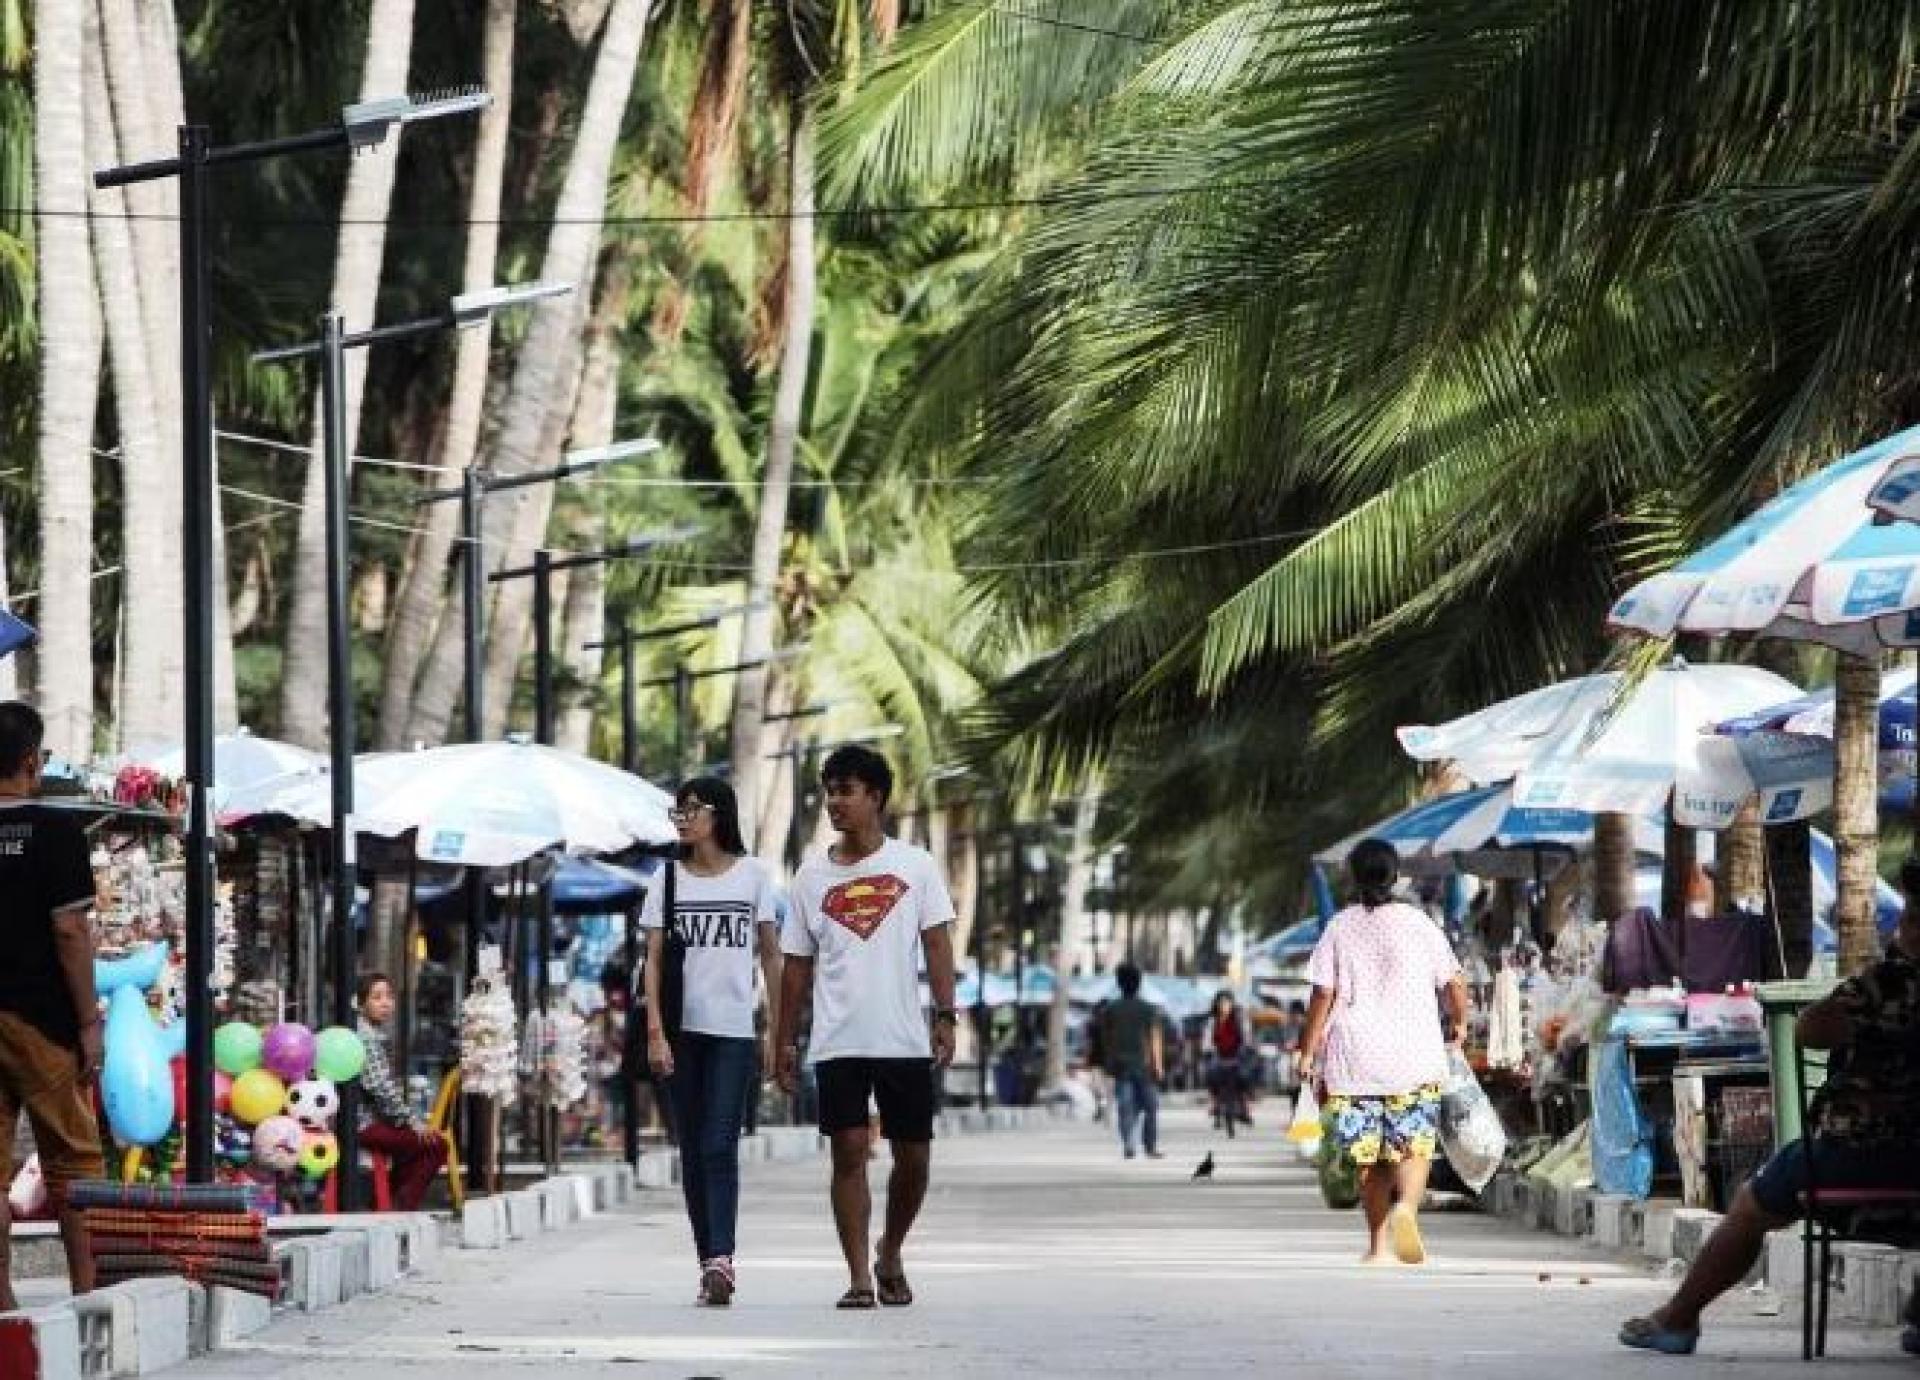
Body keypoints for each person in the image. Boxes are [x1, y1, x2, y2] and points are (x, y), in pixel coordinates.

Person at [1619, 855, 1920, 1357]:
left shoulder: (1887, 986)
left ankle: (1679, 1317)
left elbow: (1810, 1030)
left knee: (1751, 1204)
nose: (1906, 928)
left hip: (1858, 1153)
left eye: (1912, 920)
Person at [774, 746, 958, 1310]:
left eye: (846, 790)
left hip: (901, 1037)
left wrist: (946, 1015)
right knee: (848, 1152)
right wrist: (782, 1040)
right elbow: (796, 967)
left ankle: (891, 1251)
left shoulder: (915, 866)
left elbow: (937, 943)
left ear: (876, 797)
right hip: (837, 1040)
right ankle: (858, 1276)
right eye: (829, 791)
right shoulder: (810, 877)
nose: (834, 802)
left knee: (915, 1158)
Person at [643, 777, 783, 1307]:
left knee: (718, 1145)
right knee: (693, 1151)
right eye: (677, 810)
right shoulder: (667, 880)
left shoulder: (753, 876)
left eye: (692, 809)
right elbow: (652, 962)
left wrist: (776, 1028)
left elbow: (770, 955)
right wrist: (655, 1030)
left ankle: (722, 1257)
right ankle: (709, 1263)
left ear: (719, 813)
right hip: (680, 1033)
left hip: (732, 1033)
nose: (682, 818)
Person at [1297, 839, 1469, 1266]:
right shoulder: (1420, 924)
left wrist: (1307, 1047)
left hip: (1356, 1061)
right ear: (1396, 876)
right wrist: (1460, 1021)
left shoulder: (1338, 928)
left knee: (1370, 1159)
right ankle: (1407, 1209)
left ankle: (1376, 1247)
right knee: (1414, 1145)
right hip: (1414, 1054)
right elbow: (1454, 981)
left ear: (1353, 877)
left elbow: (1322, 992)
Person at [0, 702, 103, 1312]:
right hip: (41, 1019)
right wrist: (89, 1021)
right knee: (73, 1160)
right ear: (32, 761)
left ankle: (3, 1307)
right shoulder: (57, 830)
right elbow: (69, 932)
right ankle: (88, 1297)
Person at [355, 973, 448, 1211]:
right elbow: (381, 1089)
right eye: (376, 997)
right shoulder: (366, 1039)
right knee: (435, 1145)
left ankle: (386, 1202)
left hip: (368, 1121)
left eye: (388, 996)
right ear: (360, 1003)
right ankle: (401, 1207)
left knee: (412, 1147)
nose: (386, 1003)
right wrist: (411, 1121)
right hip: (364, 1124)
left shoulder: (369, 1034)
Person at [1099, 963, 1164, 1160]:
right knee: (1150, 1107)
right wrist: (1159, 1065)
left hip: (1121, 1067)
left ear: (1119, 984)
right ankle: (1150, 1146)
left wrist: (1108, 1063)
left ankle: (1129, 1143)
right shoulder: (1148, 1009)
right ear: (1139, 983)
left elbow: (1106, 1040)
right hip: (1144, 1067)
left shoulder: (1111, 1010)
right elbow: (1154, 1038)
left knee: (1125, 1107)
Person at [1204, 989, 1254, 1128]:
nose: (1224, 1006)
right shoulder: (1212, 1021)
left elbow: (1247, 1038)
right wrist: (1208, 1050)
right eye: (1221, 1003)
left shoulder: (1240, 1020)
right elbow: (1207, 1041)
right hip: (1219, 1056)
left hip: (1237, 1056)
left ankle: (1246, 1106)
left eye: (1227, 1003)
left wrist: (1247, 1048)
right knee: (1210, 1074)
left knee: (1245, 1077)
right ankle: (1214, 1103)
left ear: (1232, 1004)